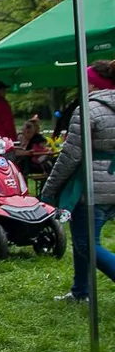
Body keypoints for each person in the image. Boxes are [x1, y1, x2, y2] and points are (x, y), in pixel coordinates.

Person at [41, 60, 115, 302]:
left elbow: (71, 155)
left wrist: (50, 189)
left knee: (85, 243)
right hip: (112, 181)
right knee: (88, 239)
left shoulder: (87, 110)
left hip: (90, 185)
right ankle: (81, 291)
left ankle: (81, 291)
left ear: (91, 82)